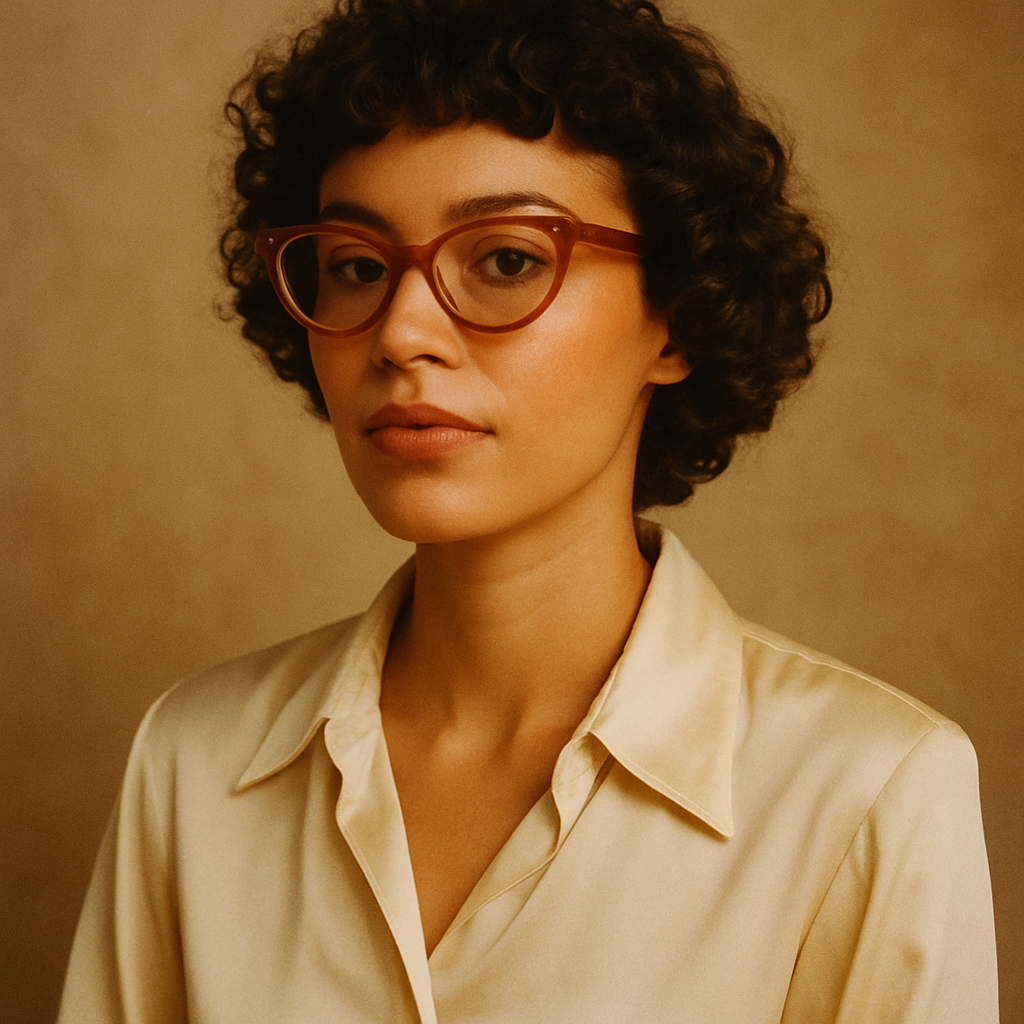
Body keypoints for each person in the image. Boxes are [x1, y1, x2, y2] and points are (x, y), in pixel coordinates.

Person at [58, 0, 999, 1021]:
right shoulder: (193, 761)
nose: (402, 332)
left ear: (675, 319)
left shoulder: (868, 789)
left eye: (505, 259)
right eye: (358, 267)